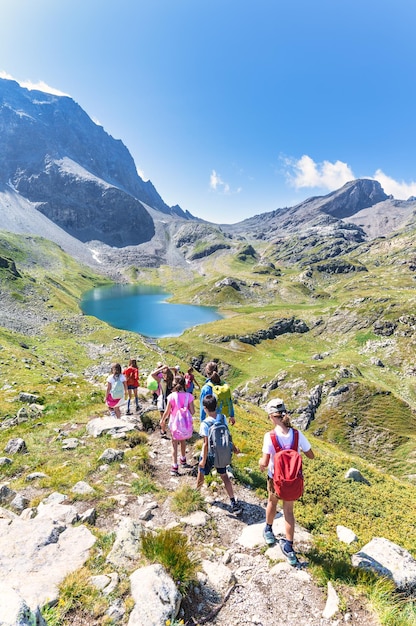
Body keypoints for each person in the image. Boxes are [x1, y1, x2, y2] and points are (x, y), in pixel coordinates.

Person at [259, 398, 314, 565]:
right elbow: (311, 455)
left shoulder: (270, 436)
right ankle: (289, 548)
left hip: (275, 478)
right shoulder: (297, 434)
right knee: (289, 512)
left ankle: (268, 530)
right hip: (293, 479)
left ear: (271, 416)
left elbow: (264, 461)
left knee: (272, 502)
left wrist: (261, 465)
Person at [196, 394, 241, 515]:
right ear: (216, 406)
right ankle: (233, 501)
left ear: (205, 408)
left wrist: (203, 460)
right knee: (224, 476)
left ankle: (196, 494)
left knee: (201, 472)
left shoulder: (205, 424)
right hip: (222, 452)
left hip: (210, 454)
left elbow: (205, 444)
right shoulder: (222, 418)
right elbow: (227, 436)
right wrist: (233, 447)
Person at [162, 375, 195, 476]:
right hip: (184, 423)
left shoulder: (171, 396)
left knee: (174, 443)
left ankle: (174, 466)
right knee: (183, 440)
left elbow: (167, 412)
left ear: (174, 384)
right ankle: (183, 459)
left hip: (174, 423)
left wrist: (162, 420)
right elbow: (193, 412)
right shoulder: (189, 396)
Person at [150, 363, 173, 437]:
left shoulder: (162, 381)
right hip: (172, 402)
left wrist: (161, 368)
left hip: (163, 401)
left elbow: (153, 374)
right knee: (171, 417)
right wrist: (171, 368)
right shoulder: (174, 381)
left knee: (163, 417)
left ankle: (163, 431)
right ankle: (173, 432)